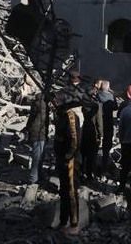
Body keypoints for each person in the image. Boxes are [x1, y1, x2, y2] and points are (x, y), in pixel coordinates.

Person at [53, 93, 81, 236]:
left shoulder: (70, 117)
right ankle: (63, 221)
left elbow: (74, 141)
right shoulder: (60, 115)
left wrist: (67, 157)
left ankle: (74, 224)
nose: (54, 104)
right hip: (61, 159)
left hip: (70, 161)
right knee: (63, 191)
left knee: (71, 191)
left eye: (57, 101)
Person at [80, 83, 103, 182]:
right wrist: (101, 134)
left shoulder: (80, 103)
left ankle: (80, 173)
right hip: (92, 132)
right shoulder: (96, 105)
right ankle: (89, 175)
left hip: (82, 131)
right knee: (91, 155)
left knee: (82, 154)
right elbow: (99, 121)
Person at [24, 92, 48, 184]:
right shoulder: (42, 104)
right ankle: (33, 179)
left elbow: (32, 118)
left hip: (38, 132)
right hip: (39, 133)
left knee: (40, 155)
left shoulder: (37, 102)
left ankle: (38, 176)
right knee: (37, 156)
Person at [97, 80, 117, 172]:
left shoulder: (98, 94)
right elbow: (115, 107)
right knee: (106, 146)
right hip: (108, 123)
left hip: (99, 122)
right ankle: (104, 166)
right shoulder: (111, 96)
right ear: (108, 87)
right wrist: (114, 95)